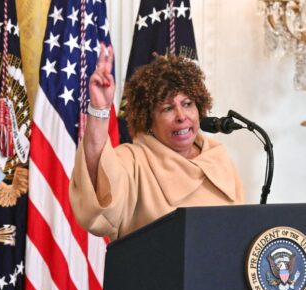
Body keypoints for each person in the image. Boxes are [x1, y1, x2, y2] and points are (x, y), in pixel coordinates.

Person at [69, 46, 244, 241]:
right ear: (148, 120)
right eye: (168, 108)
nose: (181, 116)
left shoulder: (217, 156)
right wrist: (100, 110)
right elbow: (97, 184)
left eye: (187, 104)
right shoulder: (133, 160)